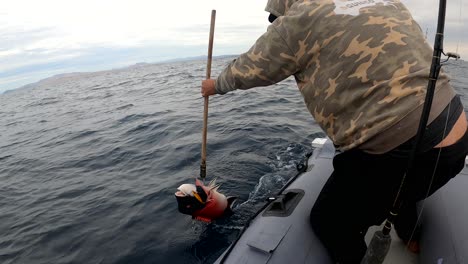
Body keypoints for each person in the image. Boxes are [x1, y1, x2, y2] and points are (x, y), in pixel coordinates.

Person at [201, 0, 468, 263]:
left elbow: (251, 68)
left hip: (398, 149)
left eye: (276, 17)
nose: (276, 23)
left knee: (329, 223)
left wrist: (214, 85)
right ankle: (412, 239)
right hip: (455, 136)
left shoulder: (298, 19)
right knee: (401, 185)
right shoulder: (384, 2)